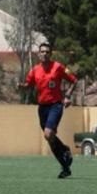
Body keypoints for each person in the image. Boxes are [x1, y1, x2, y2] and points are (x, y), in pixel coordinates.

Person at [18, 42, 77, 178]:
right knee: (49, 139)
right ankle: (65, 166)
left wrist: (67, 96)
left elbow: (74, 80)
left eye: (47, 52)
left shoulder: (58, 67)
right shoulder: (34, 70)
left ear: (50, 54)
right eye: (42, 52)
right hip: (42, 108)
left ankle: (64, 150)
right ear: (39, 54)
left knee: (48, 134)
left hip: (55, 105)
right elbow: (28, 85)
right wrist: (22, 86)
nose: (44, 54)